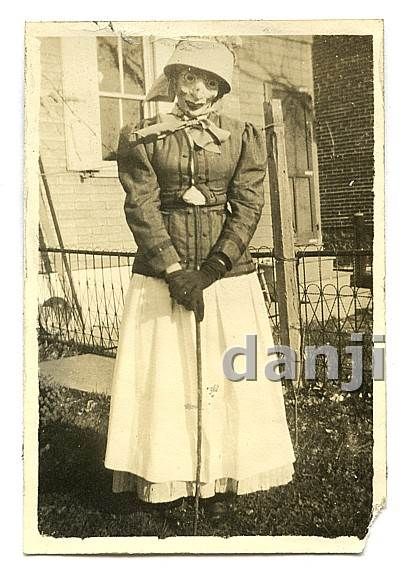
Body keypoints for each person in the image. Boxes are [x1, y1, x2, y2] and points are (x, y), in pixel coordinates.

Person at [104, 38, 295, 517]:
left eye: (209, 82)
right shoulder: (143, 135)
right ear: (173, 81)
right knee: (166, 378)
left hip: (225, 279)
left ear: (220, 90)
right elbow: (141, 206)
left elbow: (249, 205)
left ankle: (223, 478)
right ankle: (165, 476)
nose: (197, 91)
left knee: (225, 377)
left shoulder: (240, 135)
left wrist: (211, 270)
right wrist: (173, 270)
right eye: (188, 78)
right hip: (161, 275)